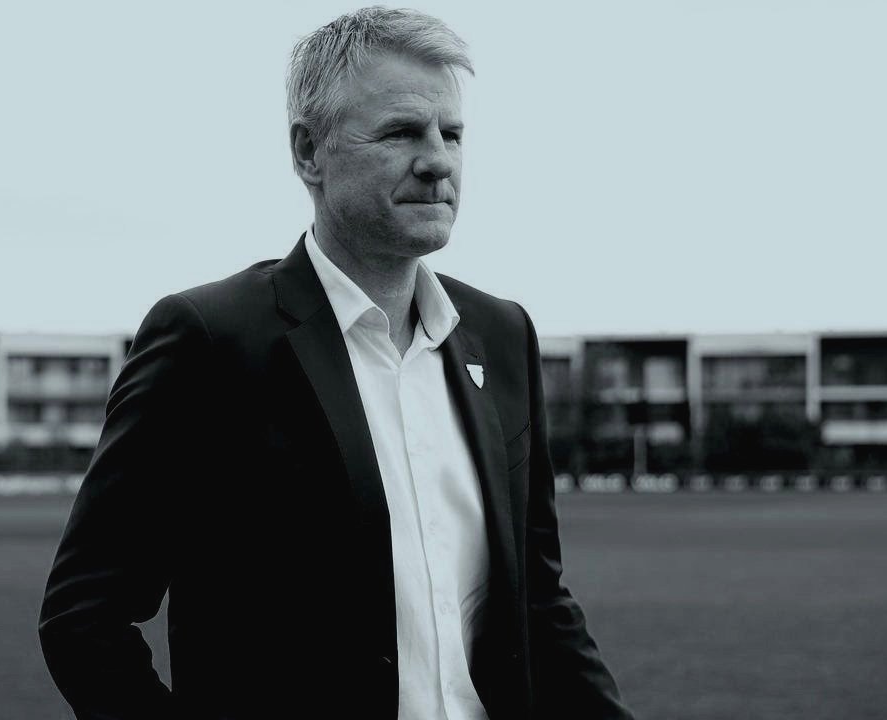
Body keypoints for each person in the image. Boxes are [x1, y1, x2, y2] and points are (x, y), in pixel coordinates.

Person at [38, 7, 635, 719]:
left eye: (453, 133)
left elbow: (539, 600)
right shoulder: (210, 339)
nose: (438, 160)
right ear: (308, 152)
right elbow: (84, 616)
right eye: (401, 132)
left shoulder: (502, 336)